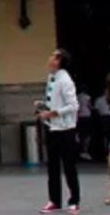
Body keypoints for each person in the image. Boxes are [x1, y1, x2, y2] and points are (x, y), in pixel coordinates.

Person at [39, 47, 80, 214]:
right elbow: (53, 100)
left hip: (65, 129)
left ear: (59, 61)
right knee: (53, 167)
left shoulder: (65, 80)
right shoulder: (52, 77)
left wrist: (52, 113)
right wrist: (43, 105)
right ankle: (54, 200)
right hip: (52, 128)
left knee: (69, 166)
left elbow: (73, 105)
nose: (50, 59)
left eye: (53, 57)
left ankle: (74, 200)